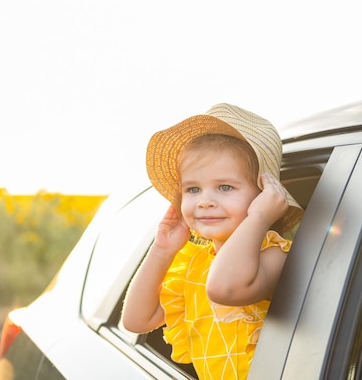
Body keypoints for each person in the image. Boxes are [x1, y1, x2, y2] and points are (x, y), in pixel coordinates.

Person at [121, 103, 304, 380]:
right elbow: (136, 320)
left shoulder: (273, 254)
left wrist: (258, 218)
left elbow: (223, 289)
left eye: (225, 187)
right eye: (193, 189)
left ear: (263, 195)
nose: (205, 201)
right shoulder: (193, 264)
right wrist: (161, 250)